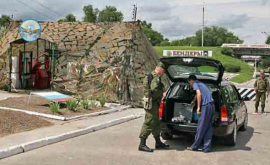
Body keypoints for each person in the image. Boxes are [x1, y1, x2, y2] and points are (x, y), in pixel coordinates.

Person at [139, 63, 169, 152]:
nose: (163, 73)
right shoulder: (155, 78)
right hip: (151, 103)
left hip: (153, 103)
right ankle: (142, 144)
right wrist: (162, 93)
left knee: (156, 122)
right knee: (149, 121)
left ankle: (158, 142)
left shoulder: (153, 77)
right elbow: (154, 89)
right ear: (160, 69)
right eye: (163, 71)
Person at [187, 75, 215, 153]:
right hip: (212, 106)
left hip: (206, 106)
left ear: (191, 80)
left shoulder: (195, 83)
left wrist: (198, 107)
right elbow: (198, 94)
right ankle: (207, 148)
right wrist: (194, 100)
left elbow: (199, 94)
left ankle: (195, 146)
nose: (190, 84)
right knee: (208, 127)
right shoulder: (202, 84)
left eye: (189, 82)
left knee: (201, 126)